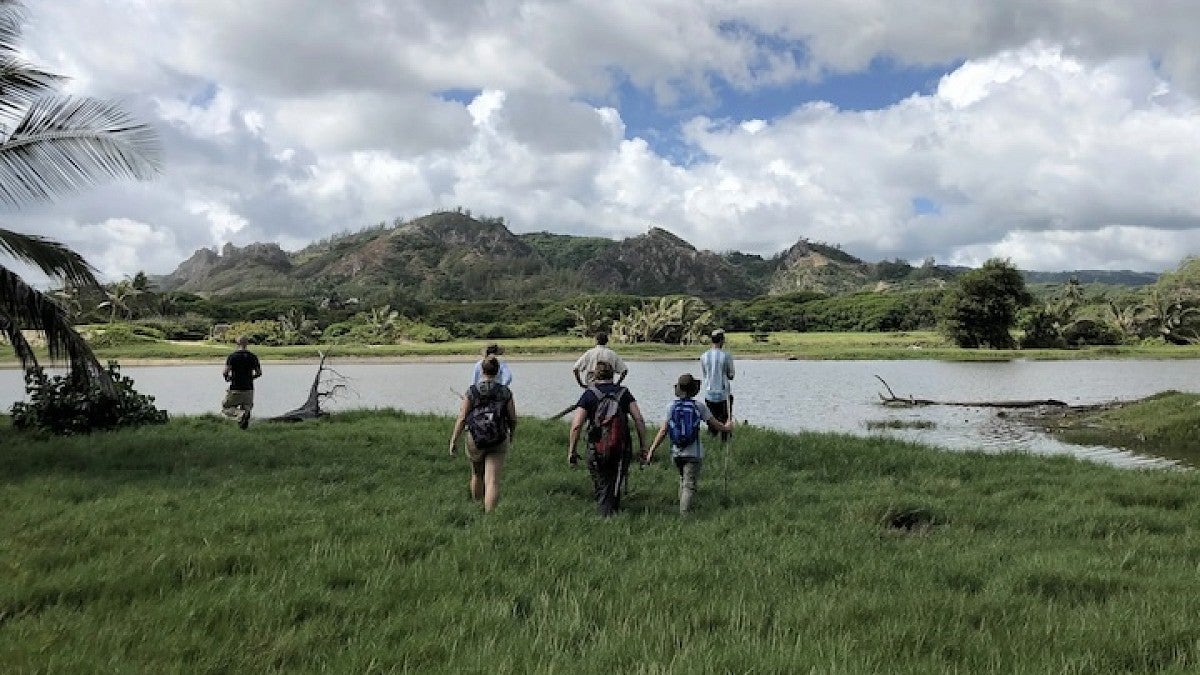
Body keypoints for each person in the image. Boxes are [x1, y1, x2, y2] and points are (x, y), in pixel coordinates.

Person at [643, 373, 734, 516]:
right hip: (694, 453)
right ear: (693, 390)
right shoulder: (699, 407)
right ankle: (684, 515)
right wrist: (727, 427)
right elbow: (714, 424)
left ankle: (683, 507)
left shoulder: (671, 407)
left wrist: (651, 450)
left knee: (683, 479)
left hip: (676, 453)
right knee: (689, 485)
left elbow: (663, 431)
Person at [567, 360, 646, 517]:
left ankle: (605, 516)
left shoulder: (589, 394)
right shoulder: (624, 392)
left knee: (602, 482)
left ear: (594, 376)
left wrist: (572, 451)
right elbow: (638, 419)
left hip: (596, 448)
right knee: (613, 483)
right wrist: (644, 447)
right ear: (613, 375)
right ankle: (610, 513)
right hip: (621, 447)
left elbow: (576, 425)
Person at [449, 356, 516, 513]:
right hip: (498, 438)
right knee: (492, 480)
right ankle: (490, 515)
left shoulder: (472, 391)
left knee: (476, 474)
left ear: (481, 370)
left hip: (475, 438)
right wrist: (512, 434)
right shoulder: (505, 392)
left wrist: (454, 440)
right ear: (498, 371)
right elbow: (512, 418)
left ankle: (477, 507)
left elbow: (462, 418)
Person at [699, 328, 735, 441]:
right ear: (721, 340)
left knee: (711, 422)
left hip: (709, 394)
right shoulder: (726, 356)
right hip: (723, 395)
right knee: (725, 421)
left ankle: (712, 442)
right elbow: (731, 375)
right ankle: (725, 445)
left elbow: (705, 375)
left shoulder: (703, 356)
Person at [222, 335, 262, 429]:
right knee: (247, 410)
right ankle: (244, 428)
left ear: (237, 344)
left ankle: (239, 413)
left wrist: (228, 378)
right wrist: (251, 378)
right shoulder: (253, 357)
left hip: (236, 387)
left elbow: (225, 372)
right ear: (247, 344)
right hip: (249, 388)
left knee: (226, 408)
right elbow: (259, 373)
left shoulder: (233, 357)